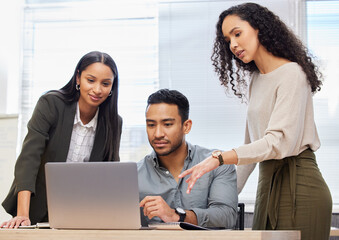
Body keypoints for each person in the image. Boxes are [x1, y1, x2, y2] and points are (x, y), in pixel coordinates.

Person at [179, 3, 332, 240]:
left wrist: (219, 158)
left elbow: (278, 143)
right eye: (227, 40)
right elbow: (251, 150)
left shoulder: (292, 74)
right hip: (267, 185)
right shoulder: (257, 81)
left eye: (237, 34)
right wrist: (221, 198)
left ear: (260, 28)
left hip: (300, 187)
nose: (233, 45)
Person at [1, 51, 122, 228]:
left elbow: (110, 174)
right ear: (78, 78)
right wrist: (22, 215)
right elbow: (29, 159)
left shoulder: (113, 123)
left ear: (112, 87)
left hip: (81, 213)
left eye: (105, 83)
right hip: (37, 207)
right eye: (91, 80)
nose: (97, 89)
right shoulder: (51, 104)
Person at [138, 89, 237, 229]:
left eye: (167, 124)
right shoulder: (135, 174)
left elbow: (227, 217)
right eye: (151, 125)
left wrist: (177, 216)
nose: (158, 134)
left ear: (186, 126)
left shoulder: (218, 163)